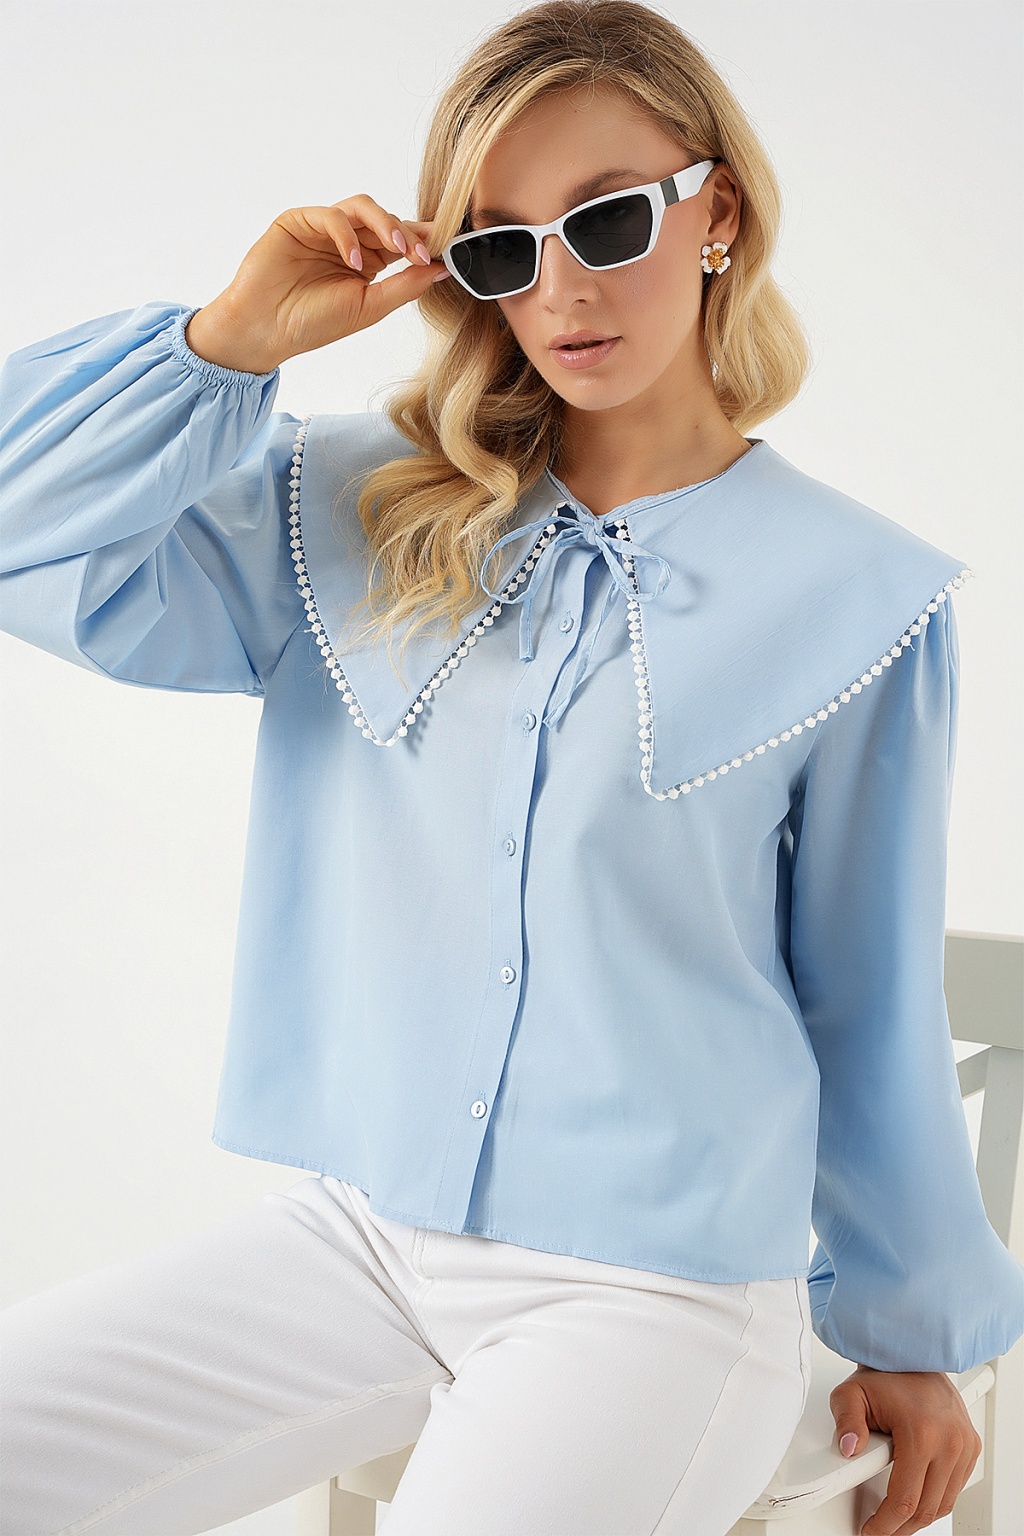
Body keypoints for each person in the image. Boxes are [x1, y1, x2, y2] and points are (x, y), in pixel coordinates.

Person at [1, 2, 1021, 1533]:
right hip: (357, 1241)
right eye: (501, 246)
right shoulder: (351, 513)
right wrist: (228, 342)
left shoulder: (857, 597)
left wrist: (913, 1329)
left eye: (607, 221)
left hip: (658, 1295)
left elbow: (867, 997)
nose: (562, 289)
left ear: (718, 212)